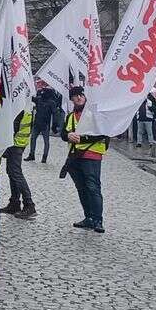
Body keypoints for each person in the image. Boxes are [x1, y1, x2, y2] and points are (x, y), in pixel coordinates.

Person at [63, 87, 109, 233]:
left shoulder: (94, 114)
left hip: (92, 155)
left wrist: (82, 138)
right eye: (75, 96)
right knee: (81, 188)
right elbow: (64, 132)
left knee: (93, 187)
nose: (79, 98)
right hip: (75, 156)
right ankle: (88, 217)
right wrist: (68, 136)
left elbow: (103, 133)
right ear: (72, 100)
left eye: (81, 95)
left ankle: (98, 220)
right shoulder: (70, 116)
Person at [0, 81, 37, 220]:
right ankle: (14, 202)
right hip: (19, 142)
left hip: (15, 143)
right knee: (12, 171)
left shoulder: (20, 105)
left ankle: (29, 204)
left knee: (15, 172)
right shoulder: (28, 103)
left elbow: (13, 125)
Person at [27, 84, 60, 163]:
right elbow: (31, 98)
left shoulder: (51, 103)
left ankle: (44, 157)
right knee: (33, 139)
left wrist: (55, 125)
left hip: (44, 125)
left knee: (45, 142)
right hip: (38, 123)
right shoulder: (40, 99)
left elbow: (55, 114)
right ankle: (32, 155)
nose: (42, 93)